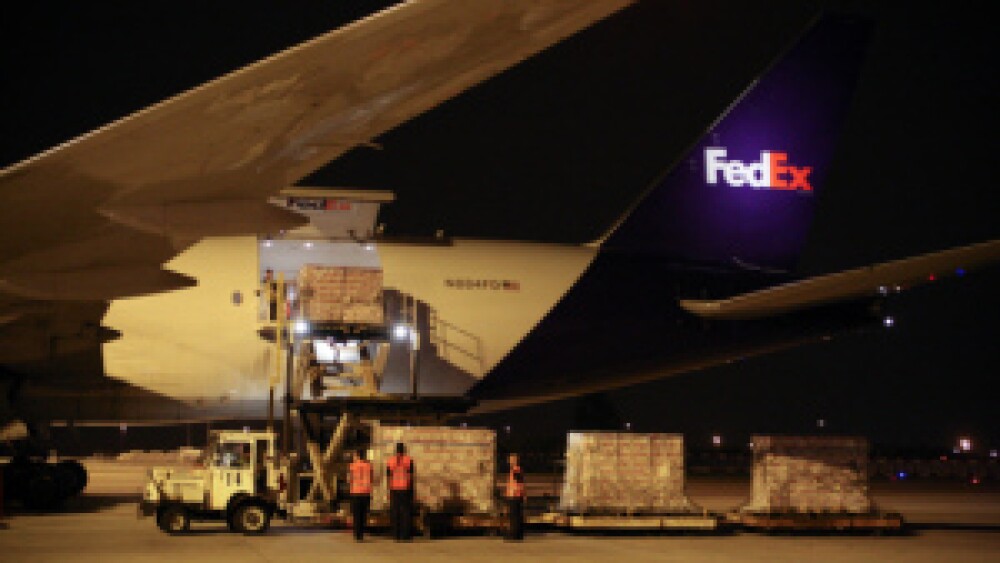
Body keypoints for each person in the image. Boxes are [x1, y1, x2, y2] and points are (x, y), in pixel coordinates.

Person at [386, 442, 414, 541]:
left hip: (394, 488)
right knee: (405, 512)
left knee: (395, 512)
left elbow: (389, 477)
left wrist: (389, 489)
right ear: (404, 450)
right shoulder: (408, 460)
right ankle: (405, 535)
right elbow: (411, 476)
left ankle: (396, 535)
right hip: (405, 488)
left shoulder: (391, 461)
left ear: (396, 450)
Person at [348, 449, 373, 542]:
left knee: (356, 515)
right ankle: (361, 534)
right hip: (366, 492)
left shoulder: (352, 466)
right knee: (363, 515)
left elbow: (349, 479)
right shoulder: (369, 466)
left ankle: (357, 534)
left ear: (357, 456)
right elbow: (371, 478)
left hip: (355, 492)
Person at [505, 453, 526, 540]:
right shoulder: (515, 470)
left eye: (511, 460)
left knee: (514, 517)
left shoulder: (516, 470)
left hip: (515, 496)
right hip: (515, 495)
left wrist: (521, 494)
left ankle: (514, 534)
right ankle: (518, 534)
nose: (509, 461)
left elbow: (519, 483)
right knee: (517, 516)